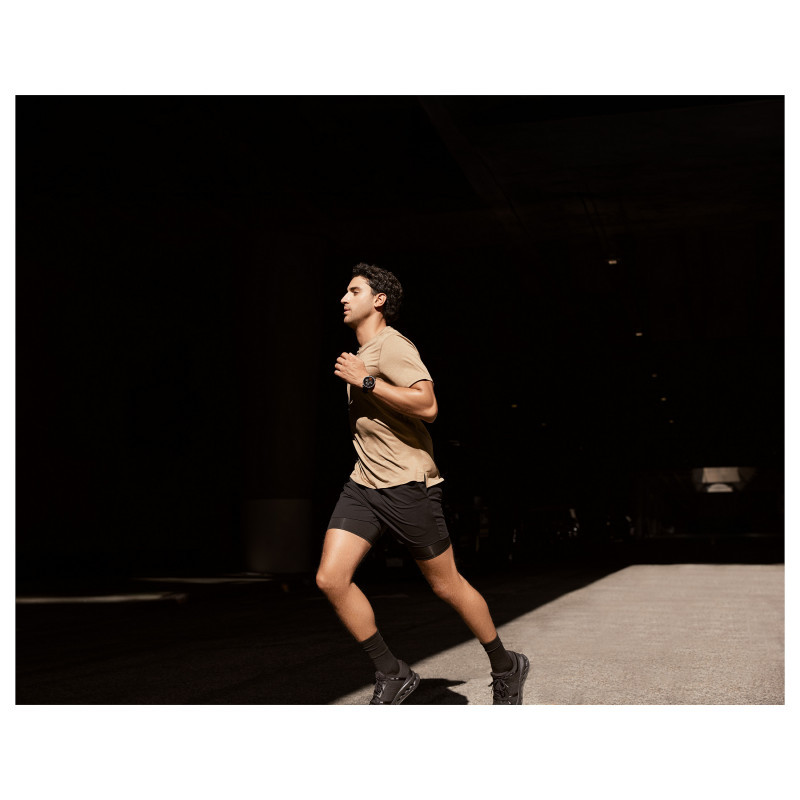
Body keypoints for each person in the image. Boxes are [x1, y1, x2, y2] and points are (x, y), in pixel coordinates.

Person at [316, 263, 529, 705]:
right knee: (331, 579)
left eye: (354, 291)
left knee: (446, 585)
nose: (343, 298)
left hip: (407, 484)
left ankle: (506, 664)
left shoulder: (392, 346)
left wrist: (366, 381)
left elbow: (428, 405)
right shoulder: (363, 351)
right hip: (364, 484)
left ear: (378, 300)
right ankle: (391, 671)